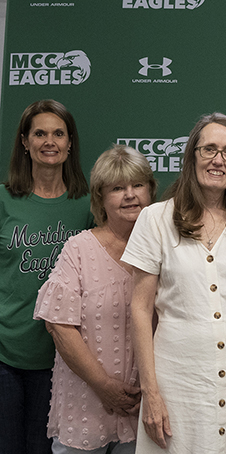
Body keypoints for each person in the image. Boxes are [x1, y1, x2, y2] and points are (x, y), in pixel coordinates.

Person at [124, 113, 226, 453]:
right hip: (177, 382)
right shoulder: (156, 219)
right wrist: (151, 392)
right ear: (191, 156)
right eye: (208, 149)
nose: (218, 160)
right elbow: (139, 309)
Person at [33, 145, 157, 454]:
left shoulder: (166, 250)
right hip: (84, 406)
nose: (130, 195)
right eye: (117, 188)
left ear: (151, 191)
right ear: (100, 198)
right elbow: (59, 326)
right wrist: (103, 385)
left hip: (146, 409)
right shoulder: (78, 249)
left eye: (137, 185)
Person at [0, 99, 93, 454]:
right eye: (39, 133)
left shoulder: (86, 205)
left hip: (60, 358)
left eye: (58, 133)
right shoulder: (5, 200)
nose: (49, 141)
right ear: (25, 142)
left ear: (71, 143)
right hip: (6, 352)